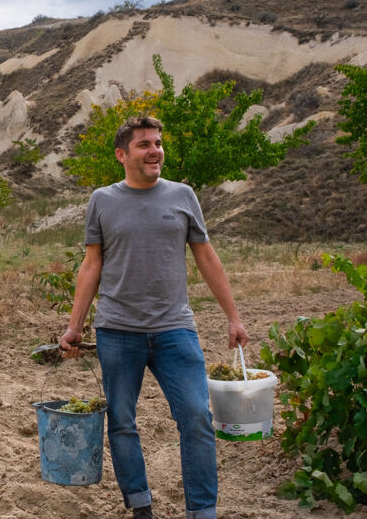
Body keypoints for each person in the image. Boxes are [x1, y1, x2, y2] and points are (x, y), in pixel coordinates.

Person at [59, 116, 249, 519]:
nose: (155, 150)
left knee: (197, 417)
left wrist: (233, 317)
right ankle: (140, 506)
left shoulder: (183, 195)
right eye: (144, 144)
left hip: (174, 328)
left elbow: (207, 257)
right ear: (121, 154)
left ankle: (202, 511)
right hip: (117, 330)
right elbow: (91, 265)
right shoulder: (102, 200)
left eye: (158, 143)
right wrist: (75, 327)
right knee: (122, 422)